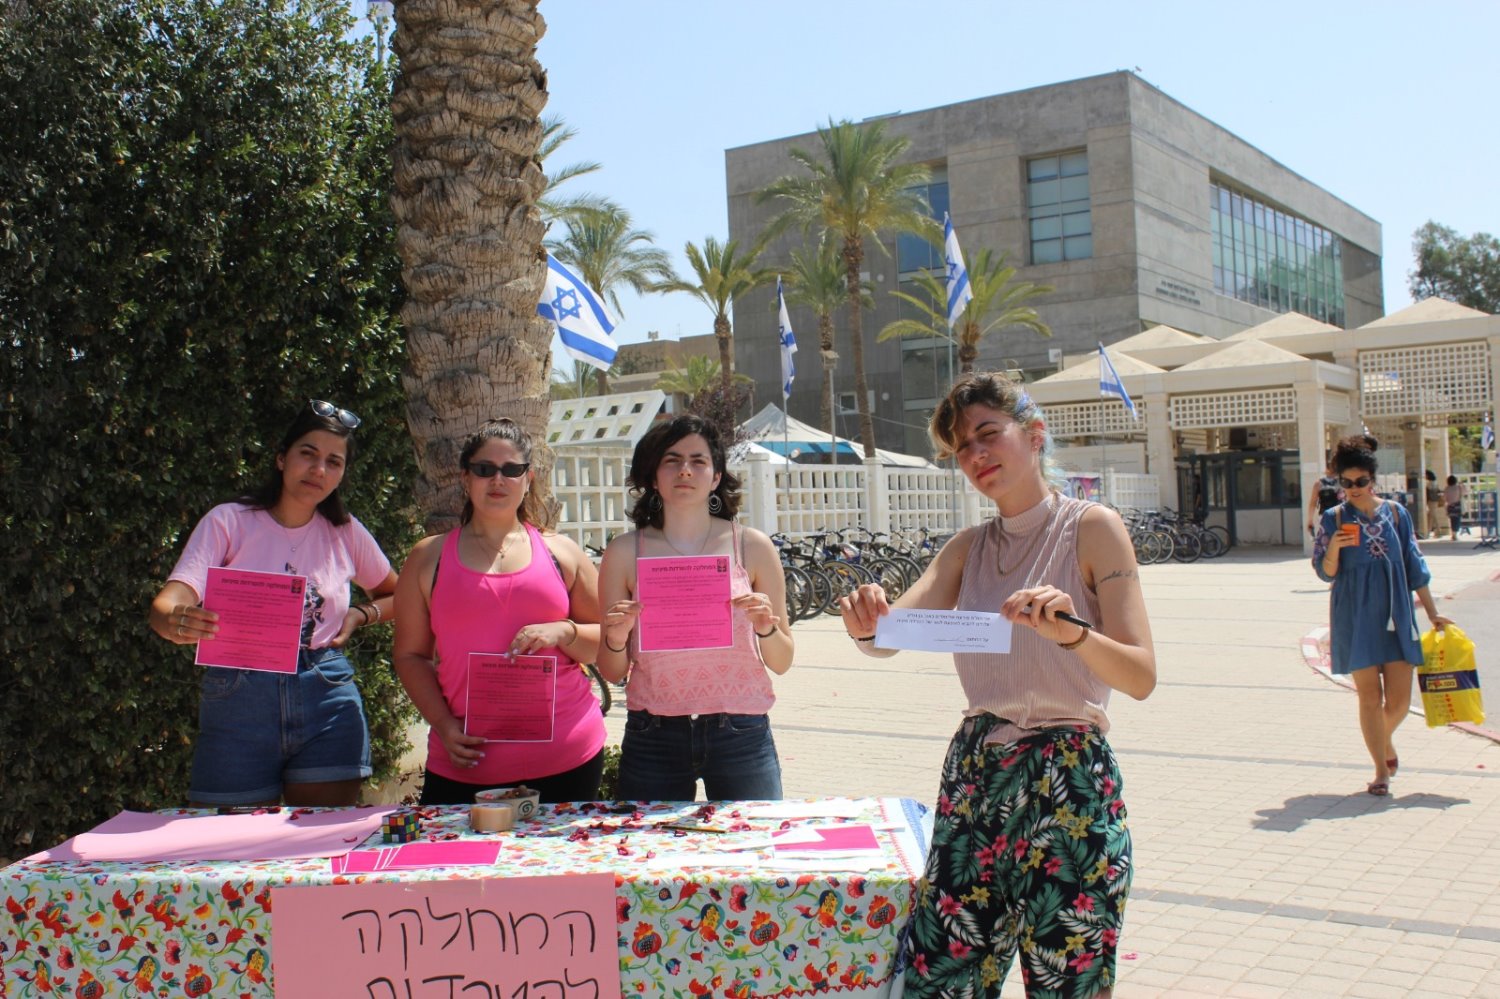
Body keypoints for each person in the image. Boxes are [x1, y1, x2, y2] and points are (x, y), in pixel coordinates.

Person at [839, 372, 1156, 999]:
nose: (976, 455)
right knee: (943, 979)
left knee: (1069, 983)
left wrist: (1074, 634)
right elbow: (892, 633)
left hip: (1067, 781)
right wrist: (865, 622)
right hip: (977, 779)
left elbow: (1142, 675)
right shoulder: (966, 549)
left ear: (1034, 435)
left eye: (989, 434)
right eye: (963, 446)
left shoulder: (1093, 529)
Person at [149, 400, 398, 807]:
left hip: (327, 694)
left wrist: (361, 613)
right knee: (227, 852)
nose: (319, 470)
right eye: (308, 454)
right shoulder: (229, 521)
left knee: (319, 847)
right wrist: (177, 620)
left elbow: (399, 595)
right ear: (282, 459)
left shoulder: (345, 531)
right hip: (240, 696)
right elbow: (170, 600)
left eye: (334, 462)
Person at [392, 419, 605, 805]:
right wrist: (442, 724)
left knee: (562, 866)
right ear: (465, 477)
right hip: (465, 763)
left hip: (569, 758)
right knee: (456, 868)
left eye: (511, 470)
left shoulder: (563, 553)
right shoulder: (428, 557)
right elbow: (410, 655)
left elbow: (606, 647)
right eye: (484, 469)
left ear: (529, 479)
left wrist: (565, 632)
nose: (498, 480)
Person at [596, 414, 794, 801]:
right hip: (653, 734)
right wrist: (617, 639)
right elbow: (611, 668)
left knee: (751, 850)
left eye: (698, 461)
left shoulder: (751, 547)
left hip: (741, 731)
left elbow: (783, 661)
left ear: (716, 476)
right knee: (649, 852)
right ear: (653, 476)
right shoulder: (623, 552)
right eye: (671, 460)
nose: (685, 470)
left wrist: (765, 627)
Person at [1313, 436, 1453, 796]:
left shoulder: (1395, 513)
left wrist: (1433, 614)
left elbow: (1414, 566)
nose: (1354, 489)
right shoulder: (1334, 518)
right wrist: (1333, 548)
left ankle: (1383, 740)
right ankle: (1380, 770)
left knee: (1401, 702)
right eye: (1346, 483)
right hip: (1355, 615)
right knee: (1369, 699)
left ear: (1372, 479)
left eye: (1361, 482)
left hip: (1395, 611)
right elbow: (1326, 573)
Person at [1306, 457, 1343, 538]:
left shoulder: (1319, 483)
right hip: (1342, 516)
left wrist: (1310, 520)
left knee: (1326, 540)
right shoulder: (1344, 482)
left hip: (1324, 516)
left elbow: (1313, 503)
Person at [1425, 469, 1446, 539]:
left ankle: (1438, 531)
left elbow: (1427, 493)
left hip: (1431, 501)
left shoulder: (1429, 483)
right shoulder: (1435, 482)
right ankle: (1429, 532)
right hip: (1435, 500)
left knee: (1433, 516)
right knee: (1431, 516)